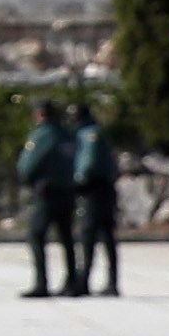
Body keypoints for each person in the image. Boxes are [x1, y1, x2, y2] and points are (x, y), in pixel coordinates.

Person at [19, 101, 80, 299]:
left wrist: (26, 178)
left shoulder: (43, 135)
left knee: (37, 236)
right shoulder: (68, 135)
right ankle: (72, 281)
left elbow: (28, 165)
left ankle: (41, 283)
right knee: (66, 237)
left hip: (47, 193)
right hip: (68, 191)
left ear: (39, 115)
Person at [65, 106, 125, 298]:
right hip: (105, 190)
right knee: (107, 237)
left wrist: (79, 180)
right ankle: (112, 281)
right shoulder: (95, 132)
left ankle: (84, 282)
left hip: (93, 191)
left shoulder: (89, 134)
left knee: (89, 235)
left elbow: (87, 162)